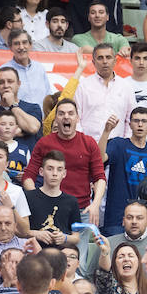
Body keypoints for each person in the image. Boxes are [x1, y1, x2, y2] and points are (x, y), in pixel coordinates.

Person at [22, 99, 106, 231]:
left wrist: (95, 204)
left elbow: (100, 178)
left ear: (77, 118)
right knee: (47, 251)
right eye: (61, 113)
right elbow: (29, 175)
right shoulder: (44, 143)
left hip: (80, 210)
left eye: (71, 113)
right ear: (56, 119)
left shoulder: (89, 143)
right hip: (48, 209)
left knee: (78, 252)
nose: (66, 117)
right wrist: (37, 200)